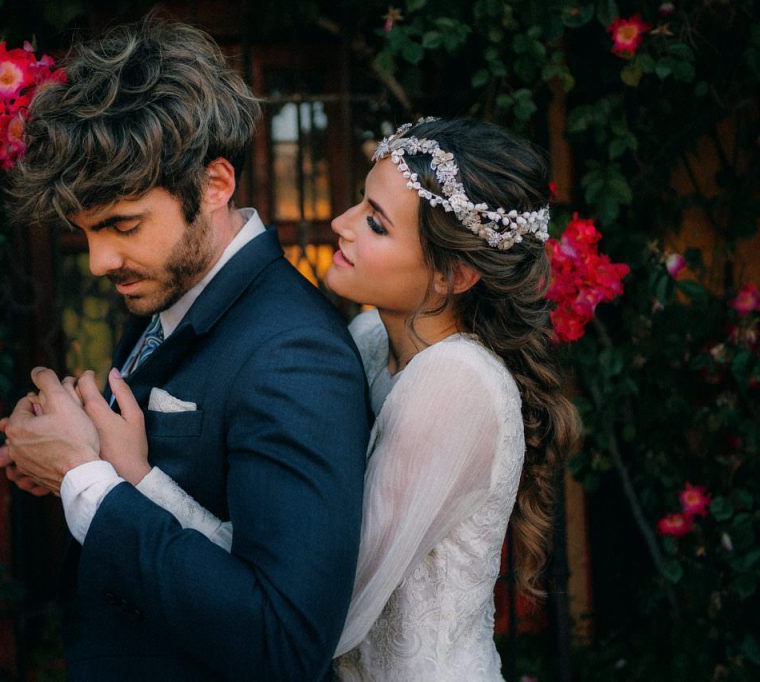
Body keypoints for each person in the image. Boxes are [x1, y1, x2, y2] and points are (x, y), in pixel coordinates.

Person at [73, 117, 582, 680]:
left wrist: (134, 479)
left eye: (376, 224)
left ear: (452, 275)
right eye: (360, 202)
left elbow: (321, 608)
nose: (342, 224)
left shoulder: (455, 382)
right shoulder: (369, 339)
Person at [0, 19, 371, 681]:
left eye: (123, 225)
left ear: (215, 184)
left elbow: (283, 644)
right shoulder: (172, 288)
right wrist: (73, 450)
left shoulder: (293, 353)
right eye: (86, 231)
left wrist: (85, 479)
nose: (99, 260)